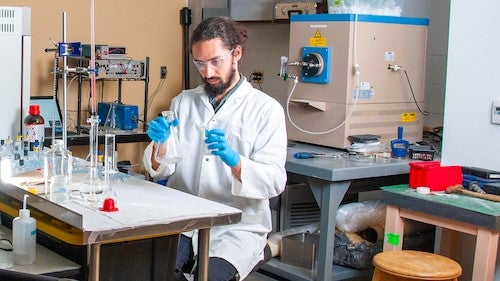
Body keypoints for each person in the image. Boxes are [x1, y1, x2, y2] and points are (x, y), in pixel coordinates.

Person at [143, 17, 287, 280]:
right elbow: (162, 169)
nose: (207, 72)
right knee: (155, 271)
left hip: (236, 225)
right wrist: (159, 144)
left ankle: (264, 248)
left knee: (209, 277)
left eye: (215, 61)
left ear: (237, 54)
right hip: (183, 219)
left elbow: (276, 181)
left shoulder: (266, 110)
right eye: (199, 63)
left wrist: (236, 162)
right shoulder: (183, 102)